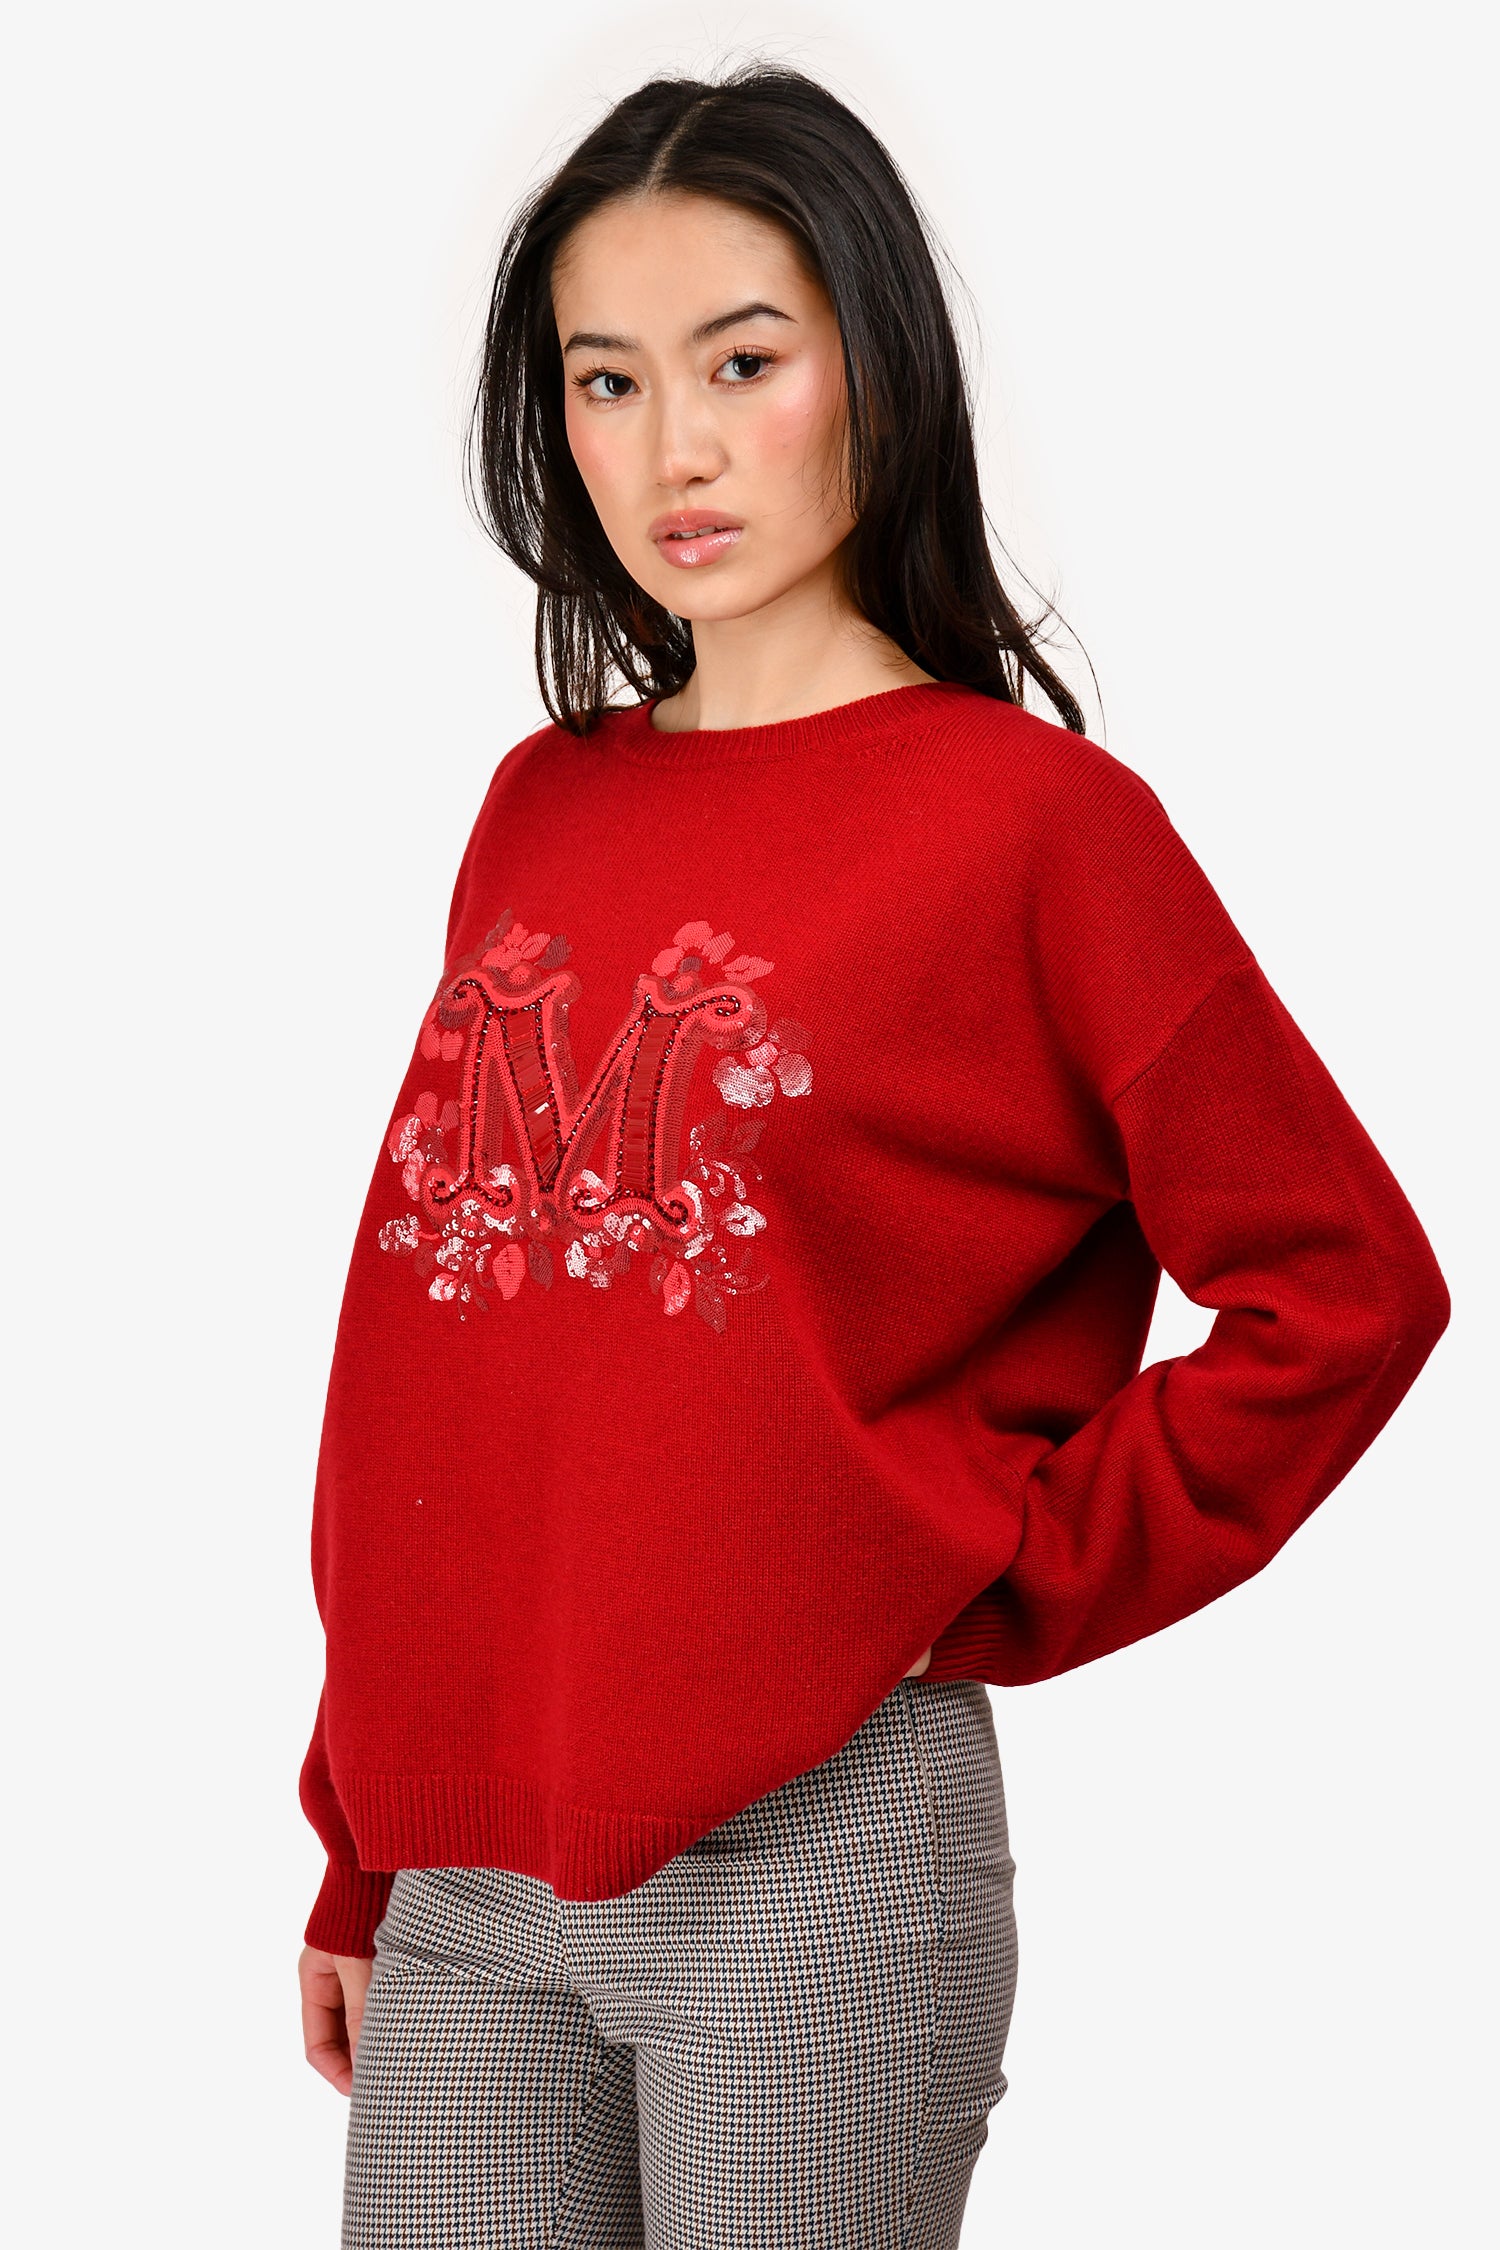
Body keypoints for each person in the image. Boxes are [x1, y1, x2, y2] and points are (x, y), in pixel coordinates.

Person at [295, 64, 1450, 2249]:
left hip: (815, 1861)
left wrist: (985, 1571)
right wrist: (360, 1830)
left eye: (743, 362)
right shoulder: (541, 806)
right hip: (469, 1870)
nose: (676, 447)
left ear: (876, 371)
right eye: (608, 381)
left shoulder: (1035, 833)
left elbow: (1346, 1292)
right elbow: (442, 1368)